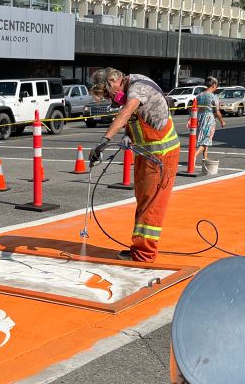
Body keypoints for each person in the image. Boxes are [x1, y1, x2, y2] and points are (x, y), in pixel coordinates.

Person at [89, 67, 180, 263]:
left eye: (107, 93)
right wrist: (128, 136)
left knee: (152, 206)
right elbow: (140, 118)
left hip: (161, 157)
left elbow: (127, 111)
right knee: (143, 202)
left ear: (113, 82)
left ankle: (145, 254)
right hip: (147, 155)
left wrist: (105, 140)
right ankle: (139, 247)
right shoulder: (132, 85)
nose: (109, 99)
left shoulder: (137, 88)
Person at [194, 76, 225, 168]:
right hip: (209, 119)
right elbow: (217, 112)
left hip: (200, 118)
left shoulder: (199, 96)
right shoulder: (213, 97)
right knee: (206, 140)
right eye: (217, 85)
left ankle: (205, 158)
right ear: (214, 85)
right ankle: (194, 156)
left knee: (203, 138)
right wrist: (222, 121)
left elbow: (194, 109)